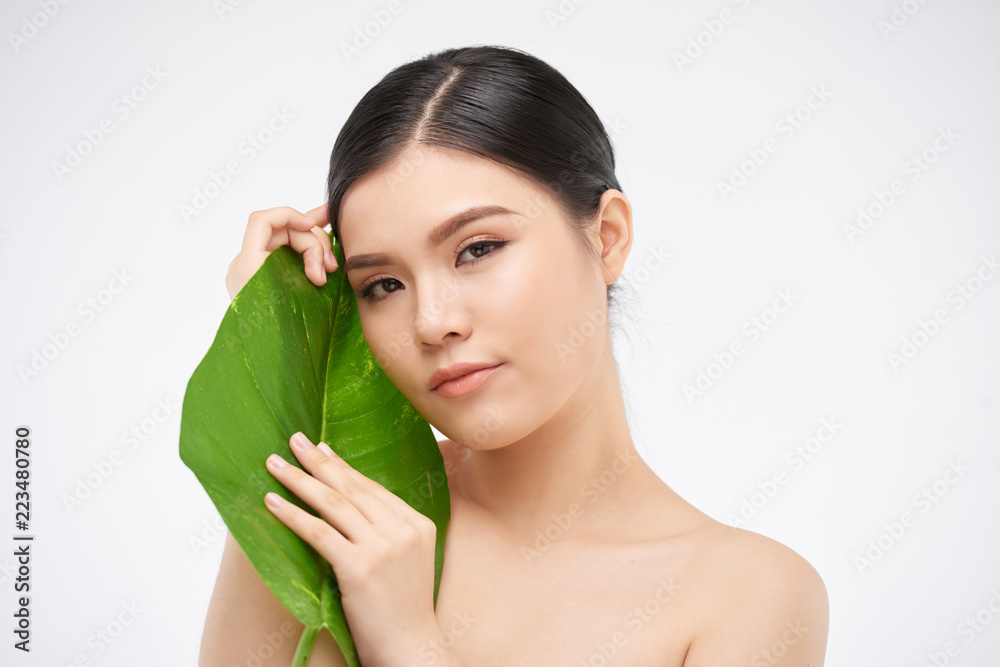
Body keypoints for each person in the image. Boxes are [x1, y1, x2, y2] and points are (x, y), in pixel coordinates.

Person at [200, 45, 829, 666]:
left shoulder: (748, 595)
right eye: (382, 285)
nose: (432, 322)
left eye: (478, 249)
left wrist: (409, 643)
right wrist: (271, 340)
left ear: (606, 238)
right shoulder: (341, 520)